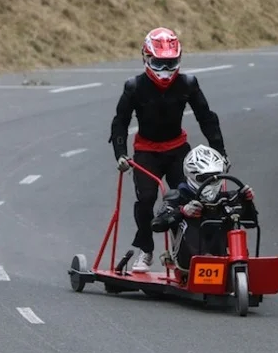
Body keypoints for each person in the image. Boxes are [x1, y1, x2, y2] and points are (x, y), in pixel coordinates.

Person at [110, 27, 227, 273]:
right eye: (159, 63)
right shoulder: (134, 87)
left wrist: (220, 153)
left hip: (178, 150)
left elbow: (206, 117)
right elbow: (120, 122)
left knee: (191, 199)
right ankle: (146, 250)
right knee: (146, 199)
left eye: (170, 63)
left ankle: (181, 251)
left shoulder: (188, 84)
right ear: (146, 58)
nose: (165, 70)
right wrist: (120, 154)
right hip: (146, 151)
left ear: (179, 60)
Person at [151, 145, 257, 274]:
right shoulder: (178, 196)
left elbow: (251, 223)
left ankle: (236, 260)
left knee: (231, 216)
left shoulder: (226, 198)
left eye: (214, 177)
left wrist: (246, 201)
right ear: (192, 175)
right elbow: (157, 225)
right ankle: (206, 259)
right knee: (189, 220)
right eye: (205, 178)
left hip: (224, 257)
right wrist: (182, 211)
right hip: (188, 261)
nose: (210, 182)